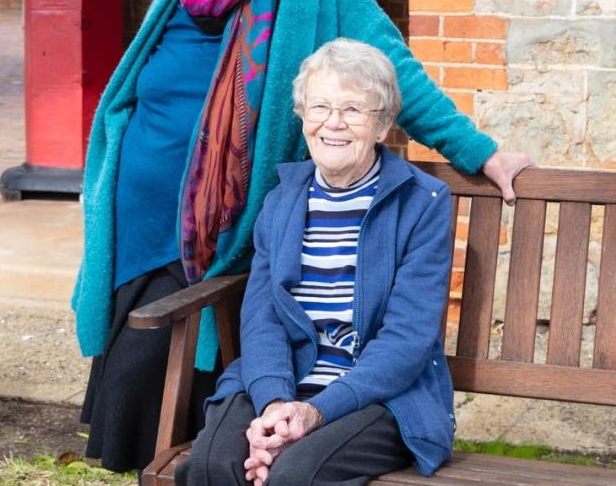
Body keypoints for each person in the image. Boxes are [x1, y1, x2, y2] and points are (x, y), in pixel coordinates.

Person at [73, 0, 532, 472]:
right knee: (131, 376)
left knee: (178, 363)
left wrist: (478, 152)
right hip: (142, 213)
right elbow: (132, 82)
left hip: (222, 224)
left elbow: (392, 66)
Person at [176, 39, 455, 486]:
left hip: (377, 397)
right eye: (320, 106)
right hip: (281, 384)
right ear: (304, 117)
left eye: (353, 110)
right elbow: (262, 317)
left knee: (295, 476)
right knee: (211, 466)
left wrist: (314, 412)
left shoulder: (422, 204)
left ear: (382, 125)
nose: (334, 123)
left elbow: (408, 339)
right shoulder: (283, 198)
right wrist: (275, 407)